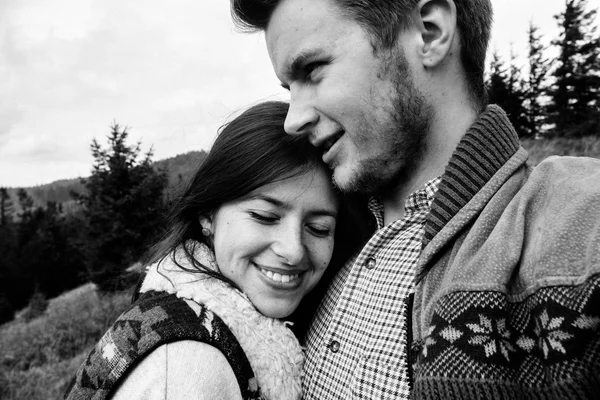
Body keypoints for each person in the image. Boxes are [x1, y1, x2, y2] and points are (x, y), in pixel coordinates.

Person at [230, 0, 600, 399]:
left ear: (430, 32)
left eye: (312, 70)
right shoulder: (327, 225)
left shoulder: (569, 222)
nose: (293, 119)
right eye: (289, 89)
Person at [64, 101, 366, 400]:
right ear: (208, 215)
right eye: (264, 216)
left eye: (319, 228)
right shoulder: (189, 369)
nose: (294, 251)